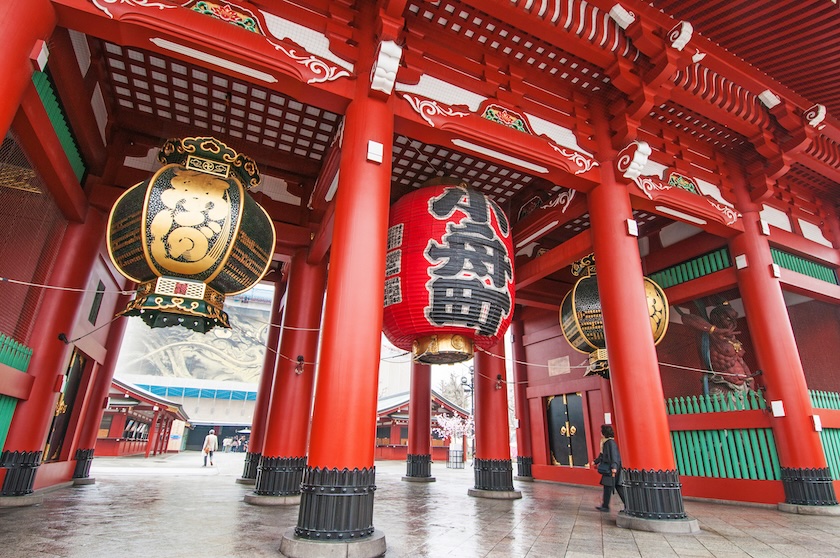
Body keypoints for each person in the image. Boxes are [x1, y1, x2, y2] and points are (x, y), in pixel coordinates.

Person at [681, 302, 753, 393]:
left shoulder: (732, 338)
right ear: (716, 318)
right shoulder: (709, 335)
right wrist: (715, 330)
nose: (732, 323)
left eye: (733, 319)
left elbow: (740, 360)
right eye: (727, 319)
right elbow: (686, 318)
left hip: (742, 386)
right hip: (723, 385)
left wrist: (750, 379)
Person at [593, 424, 625, 512]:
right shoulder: (605, 442)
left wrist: (614, 467)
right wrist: (596, 461)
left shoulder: (610, 443)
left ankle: (627, 505)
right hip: (610, 468)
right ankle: (605, 505)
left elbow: (614, 456)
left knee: (618, 487)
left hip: (612, 468)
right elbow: (602, 455)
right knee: (608, 487)